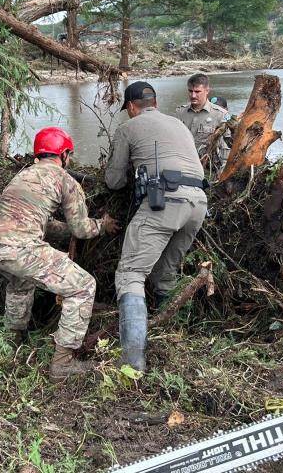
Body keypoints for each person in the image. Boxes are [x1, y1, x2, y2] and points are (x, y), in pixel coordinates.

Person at [0, 127, 118, 381]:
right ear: (64, 155)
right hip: (19, 248)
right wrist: (103, 225)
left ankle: (12, 344)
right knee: (83, 286)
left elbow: (41, 223)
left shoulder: (22, 177)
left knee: (20, 283)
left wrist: (64, 231)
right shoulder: (66, 180)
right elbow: (82, 228)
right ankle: (62, 364)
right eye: (70, 155)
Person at [106, 81, 208, 372]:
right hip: (198, 203)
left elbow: (113, 181)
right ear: (155, 103)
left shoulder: (128, 127)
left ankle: (133, 363)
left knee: (130, 274)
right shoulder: (178, 124)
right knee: (165, 274)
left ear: (130, 107)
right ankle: (174, 336)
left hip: (165, 201)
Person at [175, 73, 232, 172]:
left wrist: (222, 171)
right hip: (184, 167)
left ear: (207, 91)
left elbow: (226, 147)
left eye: (197, 92)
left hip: (208, 169)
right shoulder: (180, 112)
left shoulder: (221, 115)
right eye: (190, 91)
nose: (193, 95)